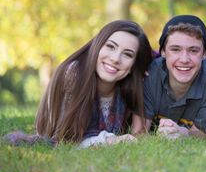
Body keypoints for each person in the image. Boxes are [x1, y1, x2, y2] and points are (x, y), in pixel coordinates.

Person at [5, 20, 153, 147]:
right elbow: (66, 140)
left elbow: (139, 134)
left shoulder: (128, 87)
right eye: (110, 46)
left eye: (127, 54)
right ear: (98, 45)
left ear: (133, 66)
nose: (115, 58)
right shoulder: (73, 74)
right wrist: (111, 141)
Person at [143, 15, 206, 138]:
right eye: (175, 49)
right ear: (162, 52)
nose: (184, 59)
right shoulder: (150, 73)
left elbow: (202, 134)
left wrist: (182, 133)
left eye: (193, 51)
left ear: (205, 53)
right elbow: (140, 132)